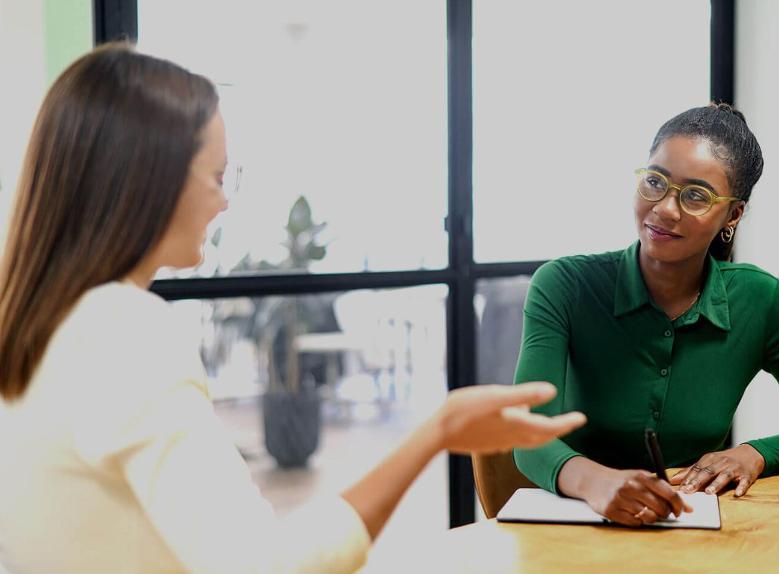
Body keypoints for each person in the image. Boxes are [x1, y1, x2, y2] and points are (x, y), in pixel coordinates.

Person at [0, 44, 586, 573]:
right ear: (145, 180)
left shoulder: (38, 321)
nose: (226, 200)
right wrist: (437, 432)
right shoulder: (123, 330)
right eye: (217, 175)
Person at [512, 103, 779, 527]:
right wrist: (598, 484)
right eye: (655, 182)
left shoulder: (759, 298)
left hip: (694, 527)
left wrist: (753, 454)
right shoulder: (564, 284)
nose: (664, 209)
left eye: (697, 195)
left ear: (733, 215)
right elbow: (530, 436)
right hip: (576, 522)